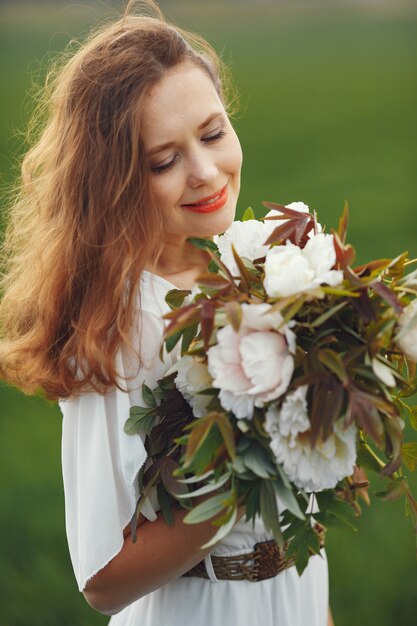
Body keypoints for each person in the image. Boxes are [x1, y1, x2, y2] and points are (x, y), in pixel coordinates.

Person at [0, 2, 333, 624]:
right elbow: (101, 581)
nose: (206, 173)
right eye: (163, 161)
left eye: (212, 133)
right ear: (115, 180)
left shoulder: (257, 270)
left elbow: (303, 526)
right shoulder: (121, 325)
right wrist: (256, 466)